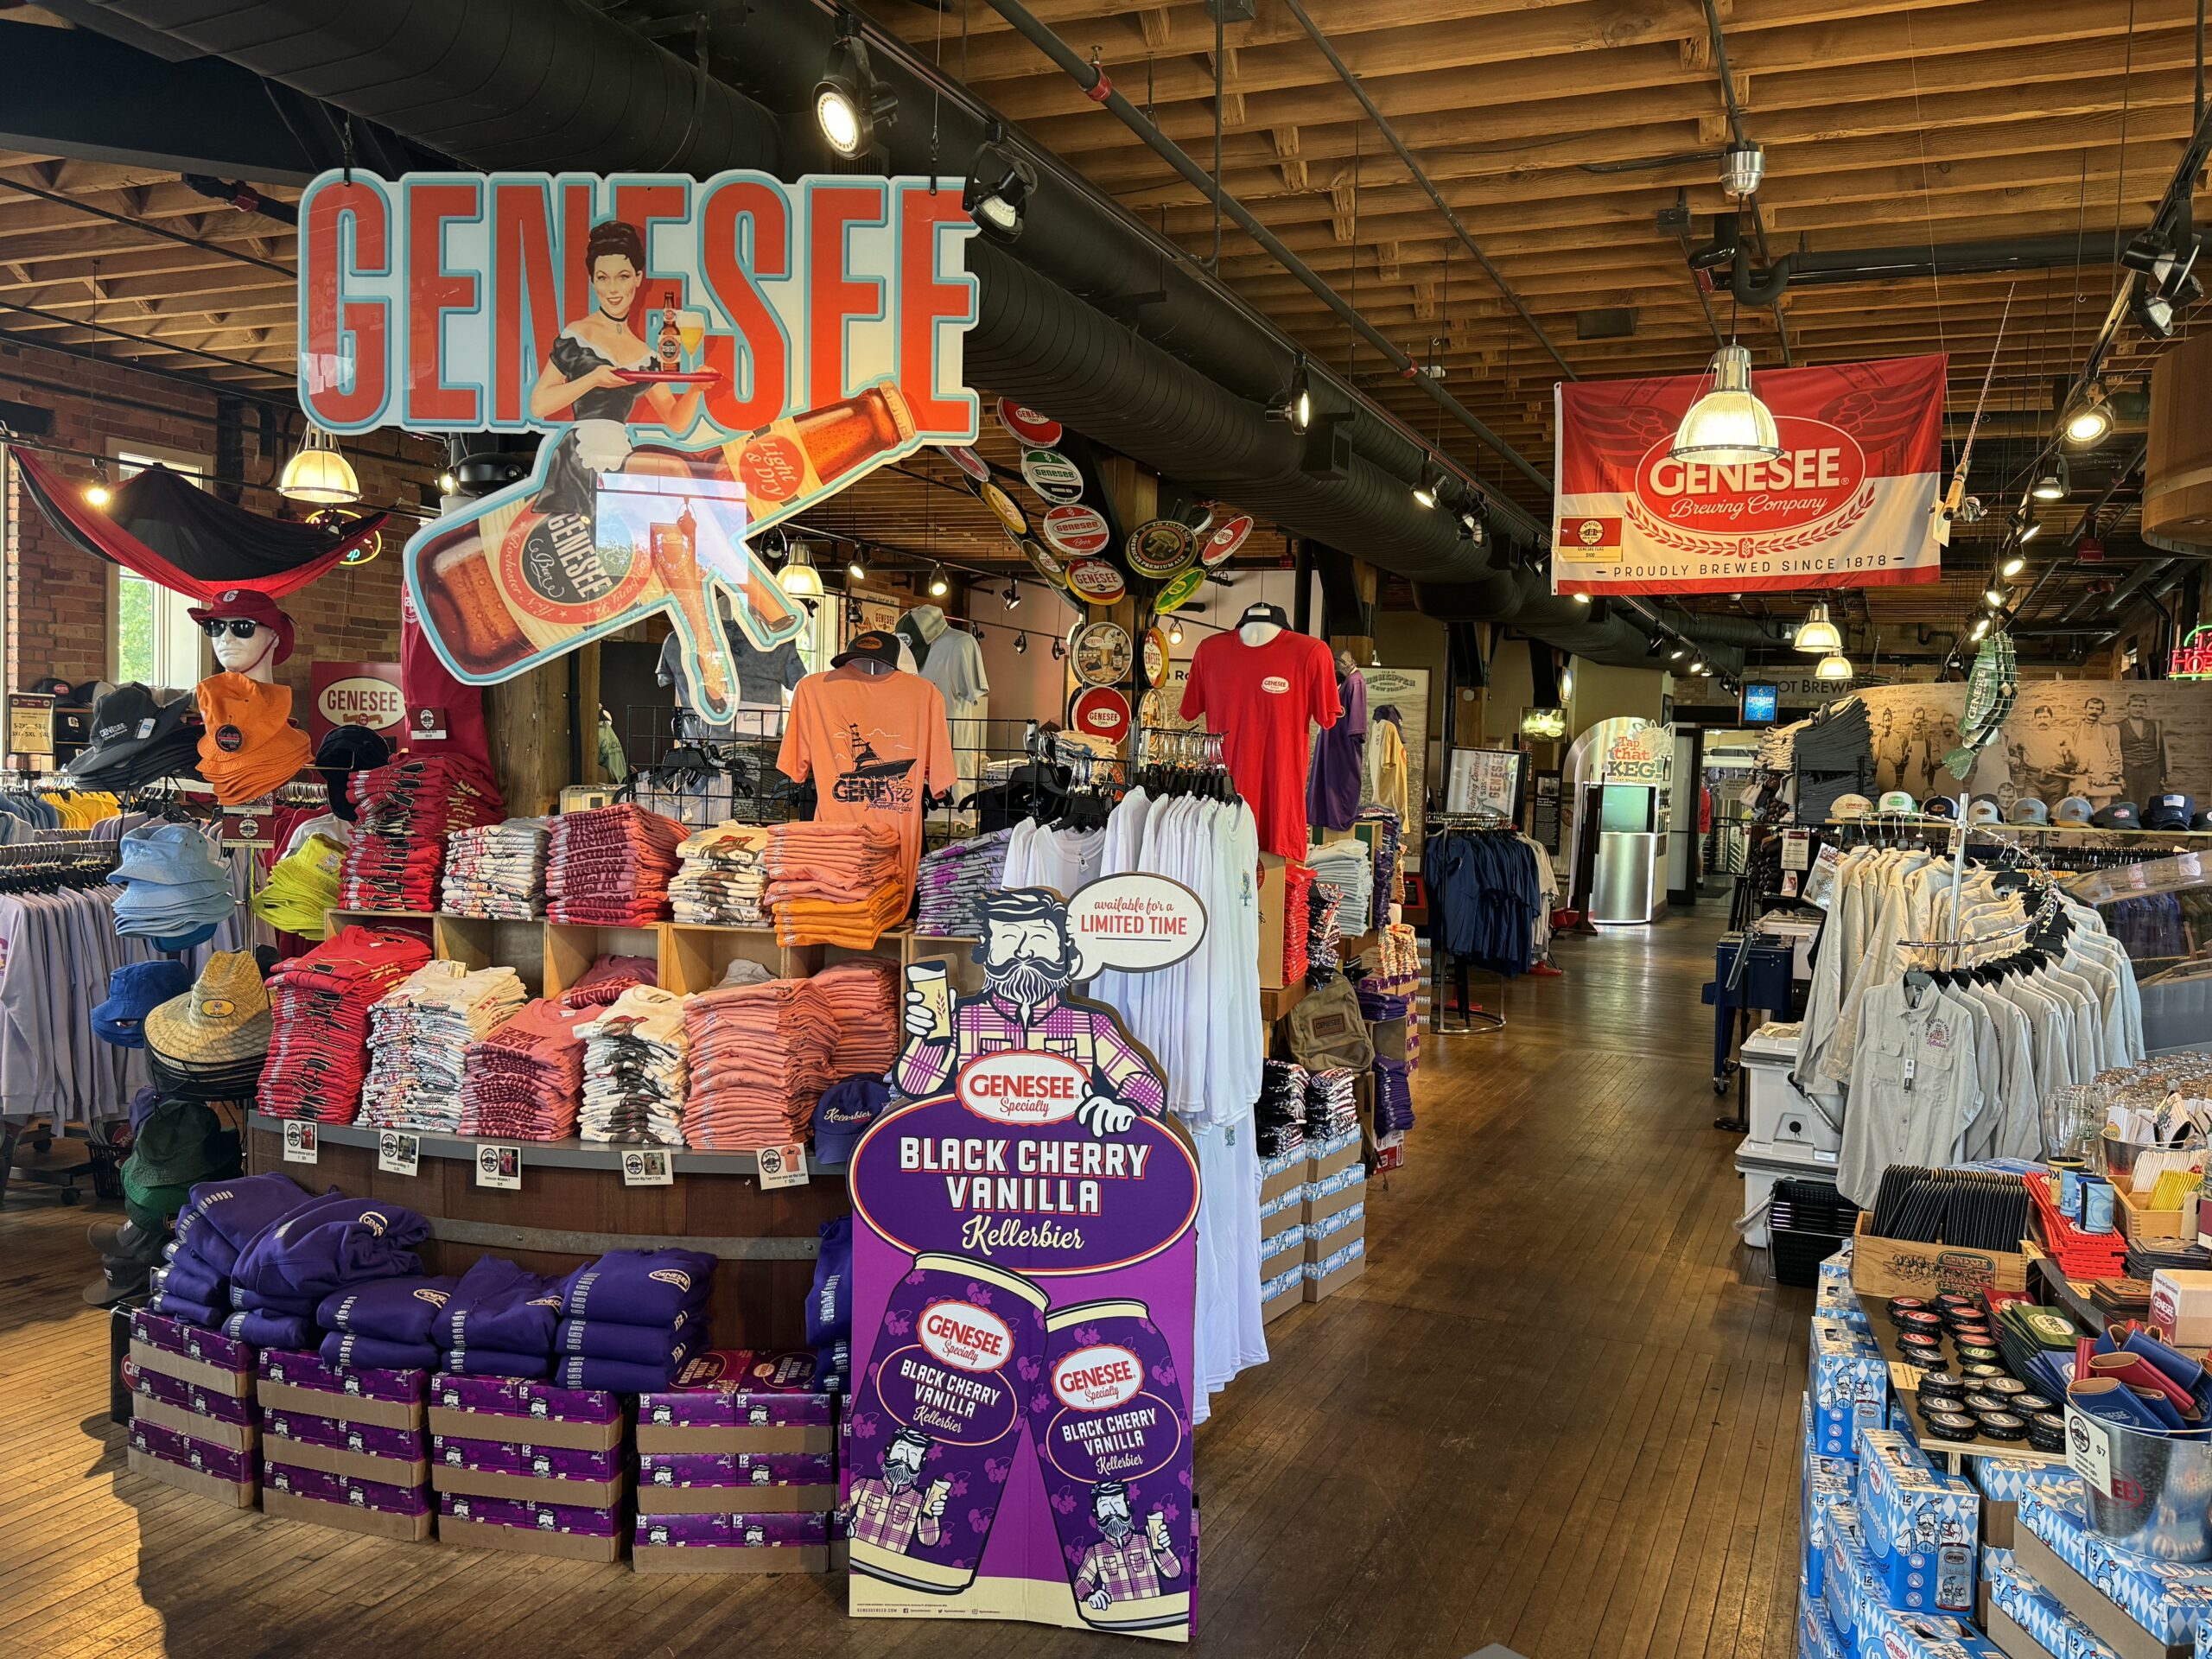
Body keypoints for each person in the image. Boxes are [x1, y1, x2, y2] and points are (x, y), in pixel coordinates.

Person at [892, 888, 1165, 1135]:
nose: (1023, 952)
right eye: (1009, 937)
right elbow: (916, 1086)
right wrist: (928, 1038)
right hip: (979, 1157)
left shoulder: (1091, 1025)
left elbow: (1145, 1084)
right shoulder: (961, 1019)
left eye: (1039, 937)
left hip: (1063, 1159)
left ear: (1064, 949)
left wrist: (1125, 1107)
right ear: (987, 947)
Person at [1070, 1481, 1183, 1613]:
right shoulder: (1095, 1551)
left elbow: (1173, 1572)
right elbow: (1080, 1582)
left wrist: (1163, 1549)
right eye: (1105, 1506)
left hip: (1153, 1613)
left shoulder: (1146, 1540)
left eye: (1117, 1503)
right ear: (1096, 1512)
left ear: (1127, 1505)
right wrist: (1091, 1595)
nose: (1112, 1511)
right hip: (1120, 1617)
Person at [838, 1428, 944, 1556]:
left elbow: (928, 1540)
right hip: (859, 1557)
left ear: (921, 1463)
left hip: (890, 1563)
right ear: (889, 1451)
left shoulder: (919, 1500)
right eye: (901, 1450)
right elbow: (842, 1511)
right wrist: (847, 1523)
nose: (905, 1459)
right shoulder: (864, 1484)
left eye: (914, 1455)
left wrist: (931, 1514)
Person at [2118, 691, 2170, 808]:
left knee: (2151, 802)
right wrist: (2118, 775)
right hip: (2129, 769)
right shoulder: (2118, 727)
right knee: (2130, 802)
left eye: (2141, 706)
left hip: (2152, 769)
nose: (2138, 709)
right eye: (2134, 706)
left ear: (2145, 708)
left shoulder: (2154, 725)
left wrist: (2164, 773)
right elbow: (2115, 751)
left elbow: (2162, 750)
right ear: (2128, 707)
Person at [2077, 695, 2124, 800]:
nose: (2094, 711)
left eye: (2098, 709)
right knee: (2079, 809)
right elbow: (2068, 755)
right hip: (2079, 779)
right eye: (2091, 708)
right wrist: (2075, 766)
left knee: (2101, 809)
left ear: (2102, 712)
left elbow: (2116, 755)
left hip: (2101, 779)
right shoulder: (2074, 731)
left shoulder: (2110, 731)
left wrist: (2107, 776)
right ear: (2085, 710)